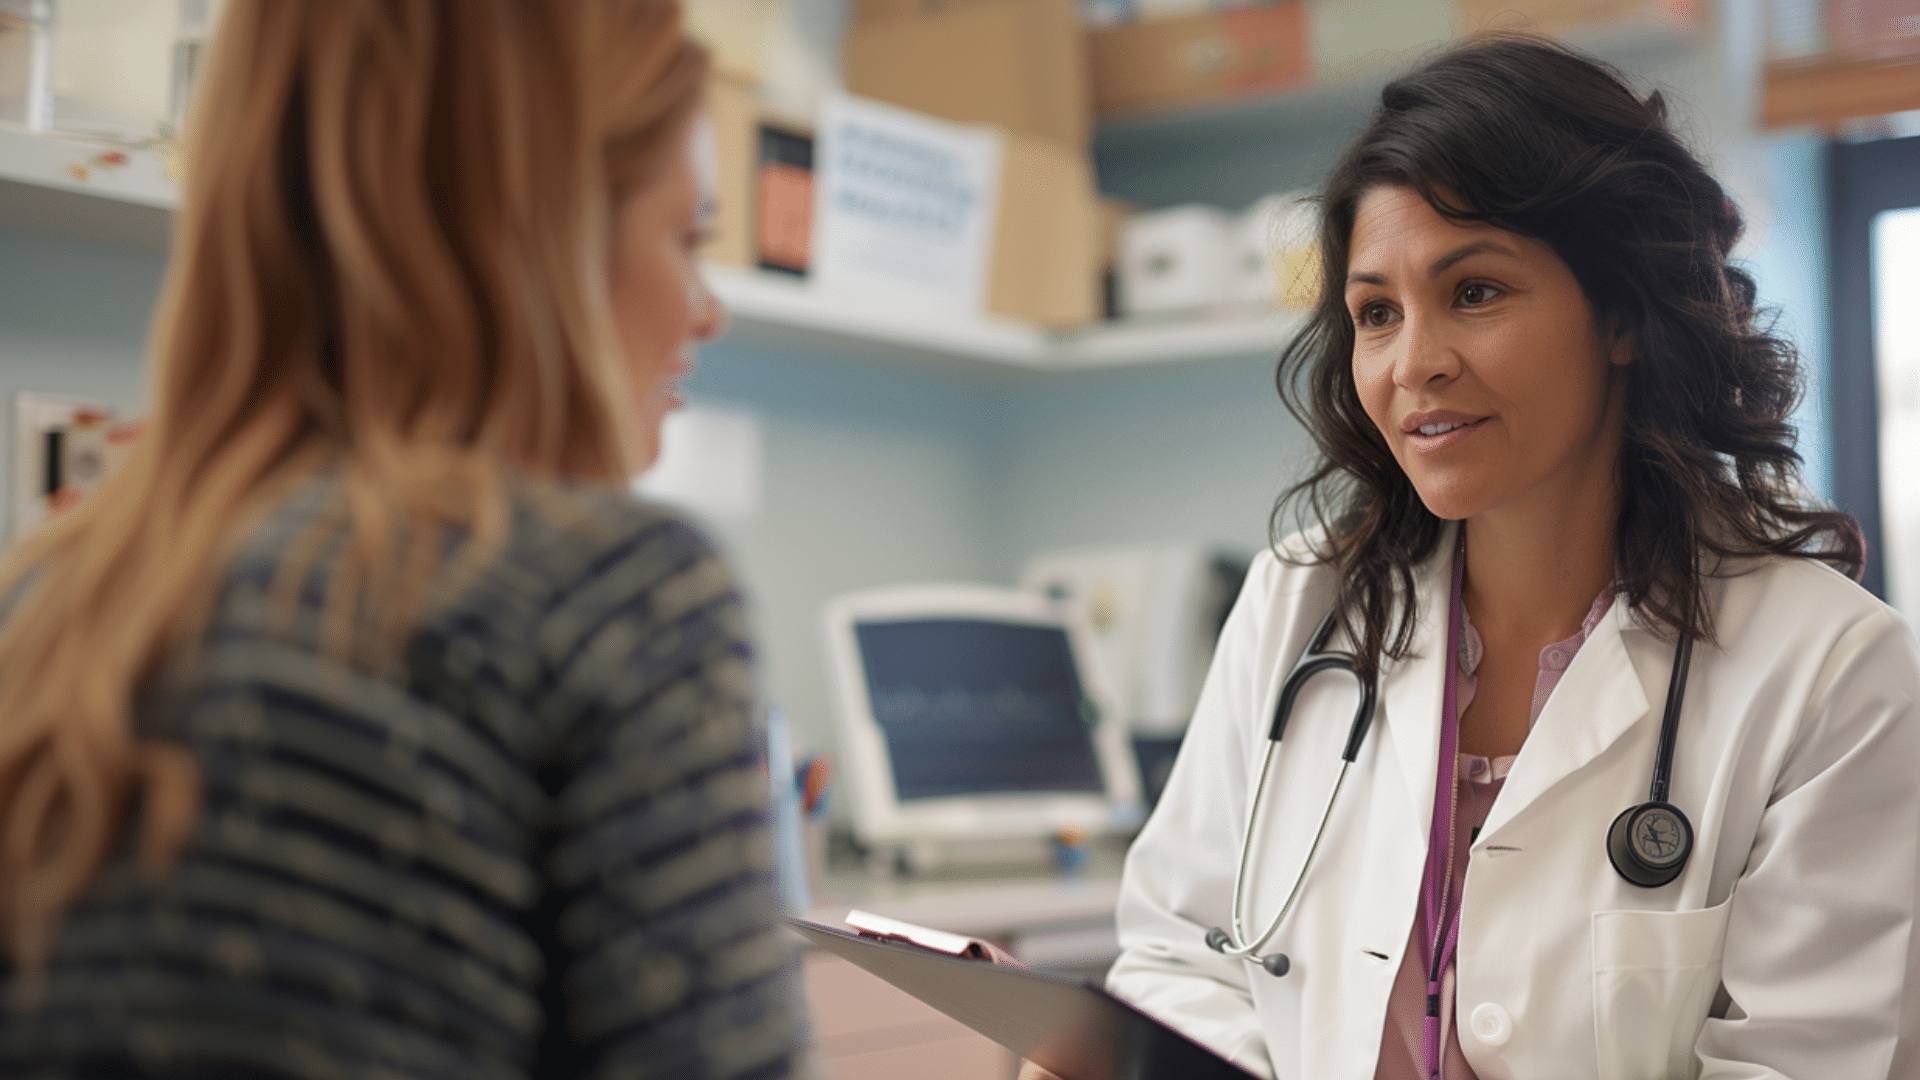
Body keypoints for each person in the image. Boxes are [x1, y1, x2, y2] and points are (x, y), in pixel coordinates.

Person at [1026, 33, 1920, 1080]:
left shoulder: (1833, 670)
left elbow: (1809, 1062)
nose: (1414, 364)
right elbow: (1181, 960)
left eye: (1476, 292)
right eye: (1376, 313)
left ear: (1623, 314)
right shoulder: (1299, 603)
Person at [0, 2, 807, 1078]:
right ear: (543, 233)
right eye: (687, 237)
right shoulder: (607, 597)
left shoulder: (45, 606)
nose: (707, 311)